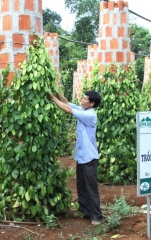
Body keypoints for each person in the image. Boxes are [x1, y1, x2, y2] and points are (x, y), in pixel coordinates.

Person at [47, 90, 103, 225]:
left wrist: (53, 99)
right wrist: (56, 92)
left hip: (89, 158)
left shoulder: (90, 115)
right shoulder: (84, 110)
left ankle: (96, 216)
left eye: (84, 99)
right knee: (81, 186)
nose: (82, 100)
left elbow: (67, 110)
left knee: (91, 188)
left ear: (92, 103)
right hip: (82, 157)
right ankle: (85, 212)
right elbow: (67, 103)